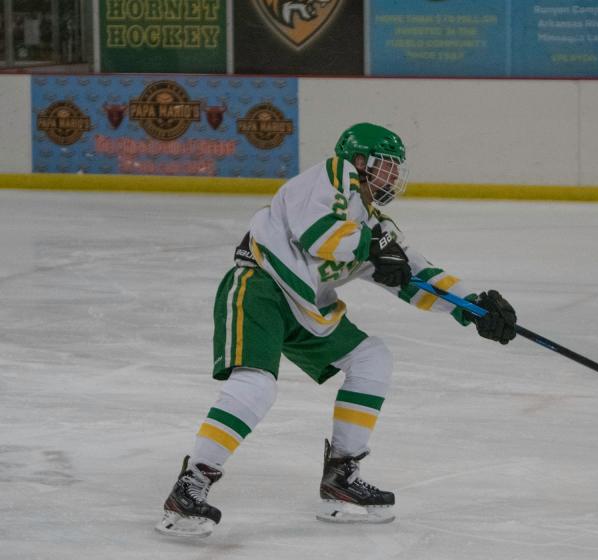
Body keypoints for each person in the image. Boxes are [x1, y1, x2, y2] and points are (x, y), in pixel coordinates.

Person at [156, 123, 517, 537]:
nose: (392, 177)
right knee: (256, 386)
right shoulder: (330, 177)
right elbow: (320, 235)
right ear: (358, 162)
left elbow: (415, 273)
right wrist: (374, 247)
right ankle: (191, 484)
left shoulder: (376, 226)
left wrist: (472, 306)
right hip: (261, 287)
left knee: (371, 358)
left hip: (308, 307)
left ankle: (341, 477)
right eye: (385, 167)